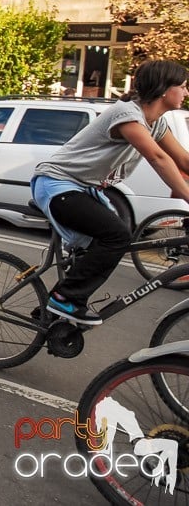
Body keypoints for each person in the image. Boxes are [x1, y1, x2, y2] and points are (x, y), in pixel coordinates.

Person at [31, 60, 189, 325]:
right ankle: (65, 298)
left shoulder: (156, 123)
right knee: (116, 235)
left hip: (85, 189)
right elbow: (158, 158)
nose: (186, 93)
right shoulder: (127, 114)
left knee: (105, 244)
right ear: (164, 89)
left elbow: (183, 161)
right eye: (183, 87)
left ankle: (52, 312)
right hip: (57, 184)